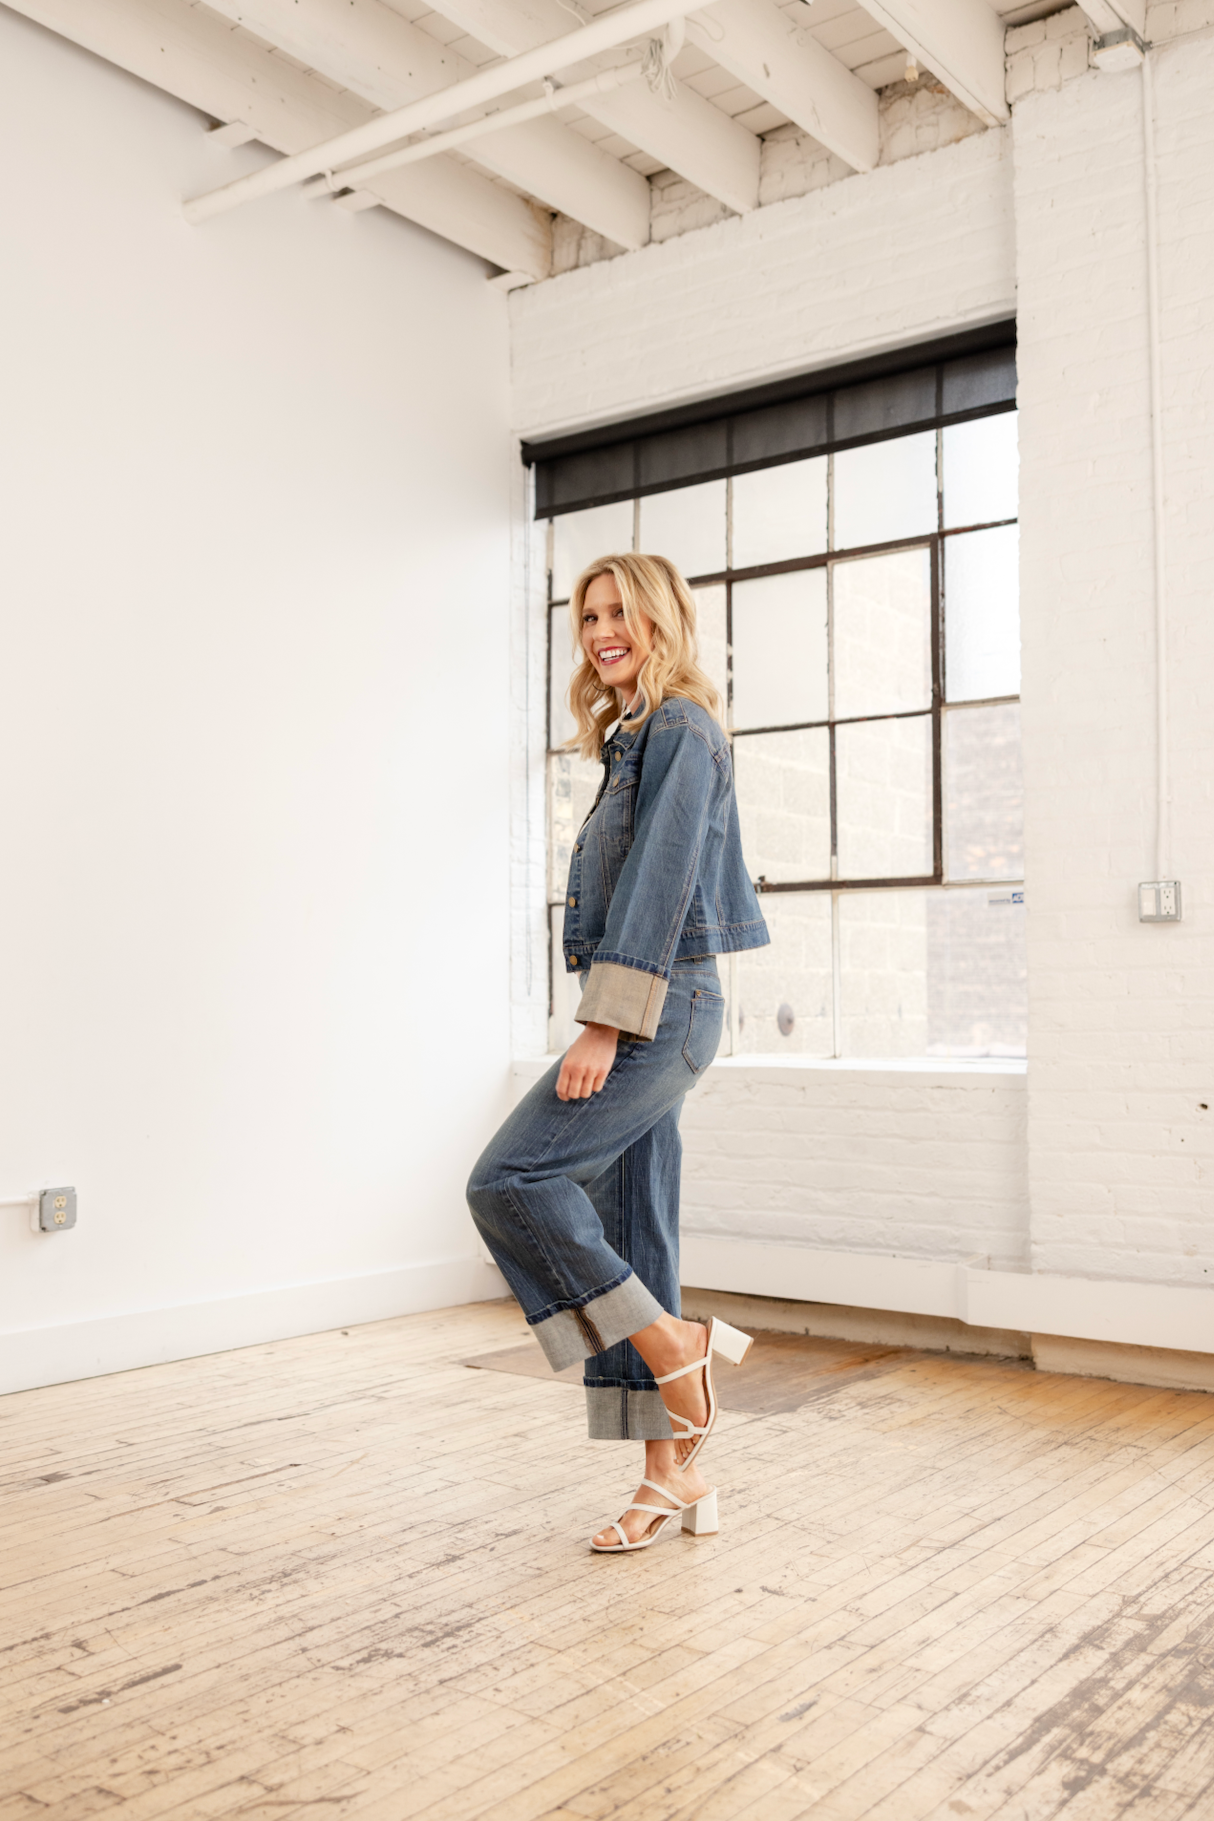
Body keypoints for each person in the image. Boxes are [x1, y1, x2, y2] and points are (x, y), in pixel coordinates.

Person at [467, 552, 770, 1552]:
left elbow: (659, 881)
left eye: (618, 613)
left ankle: (675, 1346)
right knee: (638, 1233)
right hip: (657, 1002)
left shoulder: (679, 727)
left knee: (509, 1179)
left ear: (661, 620)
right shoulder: (633, 734)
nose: (600, 632)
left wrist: (604, 1022)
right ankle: (669, 1475)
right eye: (588, 617)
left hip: (659, 1007)